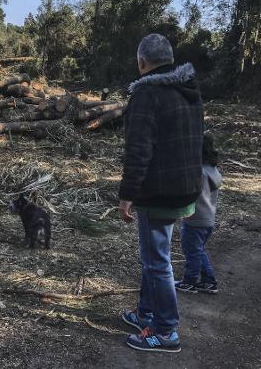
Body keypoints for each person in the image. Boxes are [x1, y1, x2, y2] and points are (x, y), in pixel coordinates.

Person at [118, 34, 204, 353]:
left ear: (143, 62)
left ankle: (166, 330)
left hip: (159, 192)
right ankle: (146, 312)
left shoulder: (147, 94)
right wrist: (194, 192)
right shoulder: (189, 91)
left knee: (156, 261)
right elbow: (197, 143)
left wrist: (127, 194)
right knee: (155, 257)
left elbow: (138, 150)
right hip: (183, 189)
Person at [175, 133, 222, 294]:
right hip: (208, 219)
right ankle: (209, 281)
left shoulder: (199, 173)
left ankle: (190, 281)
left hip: (195, 219)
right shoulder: (213, 170)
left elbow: (191, 193)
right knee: (199, 250)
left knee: (192, 251)